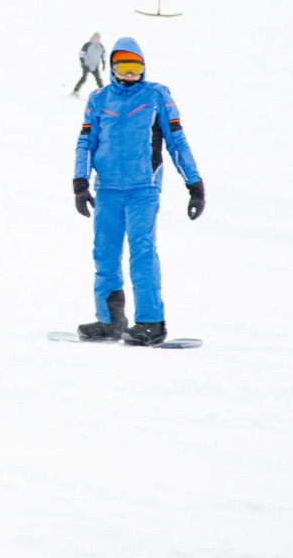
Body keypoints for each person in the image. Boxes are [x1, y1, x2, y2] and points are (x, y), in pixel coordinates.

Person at [72, 36, 205, 346]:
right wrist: (80, 183)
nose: (129, 74)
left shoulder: (157, 95)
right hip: (107, 189)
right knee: (104, 253)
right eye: (123, 66)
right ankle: (110, 321)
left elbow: (176, 141)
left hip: (142, 189)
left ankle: (151, 321)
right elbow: (86, 143)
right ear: (113, 67)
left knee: (142, 252)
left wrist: (194, 185)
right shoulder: (99, 99)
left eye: (136, 67)